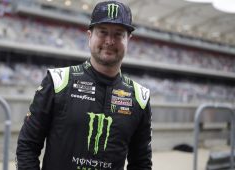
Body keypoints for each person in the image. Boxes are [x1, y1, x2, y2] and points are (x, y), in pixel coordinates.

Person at [16, 1, 152, 169]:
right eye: (103, 32)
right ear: (90, 36)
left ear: (128, 39)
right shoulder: (58, 81)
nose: (109, 41)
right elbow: (27, 146)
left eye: (118, 34)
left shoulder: (139, 97)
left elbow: (141, 163)